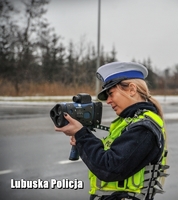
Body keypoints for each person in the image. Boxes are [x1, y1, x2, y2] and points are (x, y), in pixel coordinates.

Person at [55, 61, 169, 200]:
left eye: (111, 94)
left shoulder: (144, 128)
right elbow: (108, 156)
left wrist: (82, 135)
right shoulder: (127, 122)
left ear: (132, 90)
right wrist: (82, 137)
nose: (108, 101)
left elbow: (110, 167)